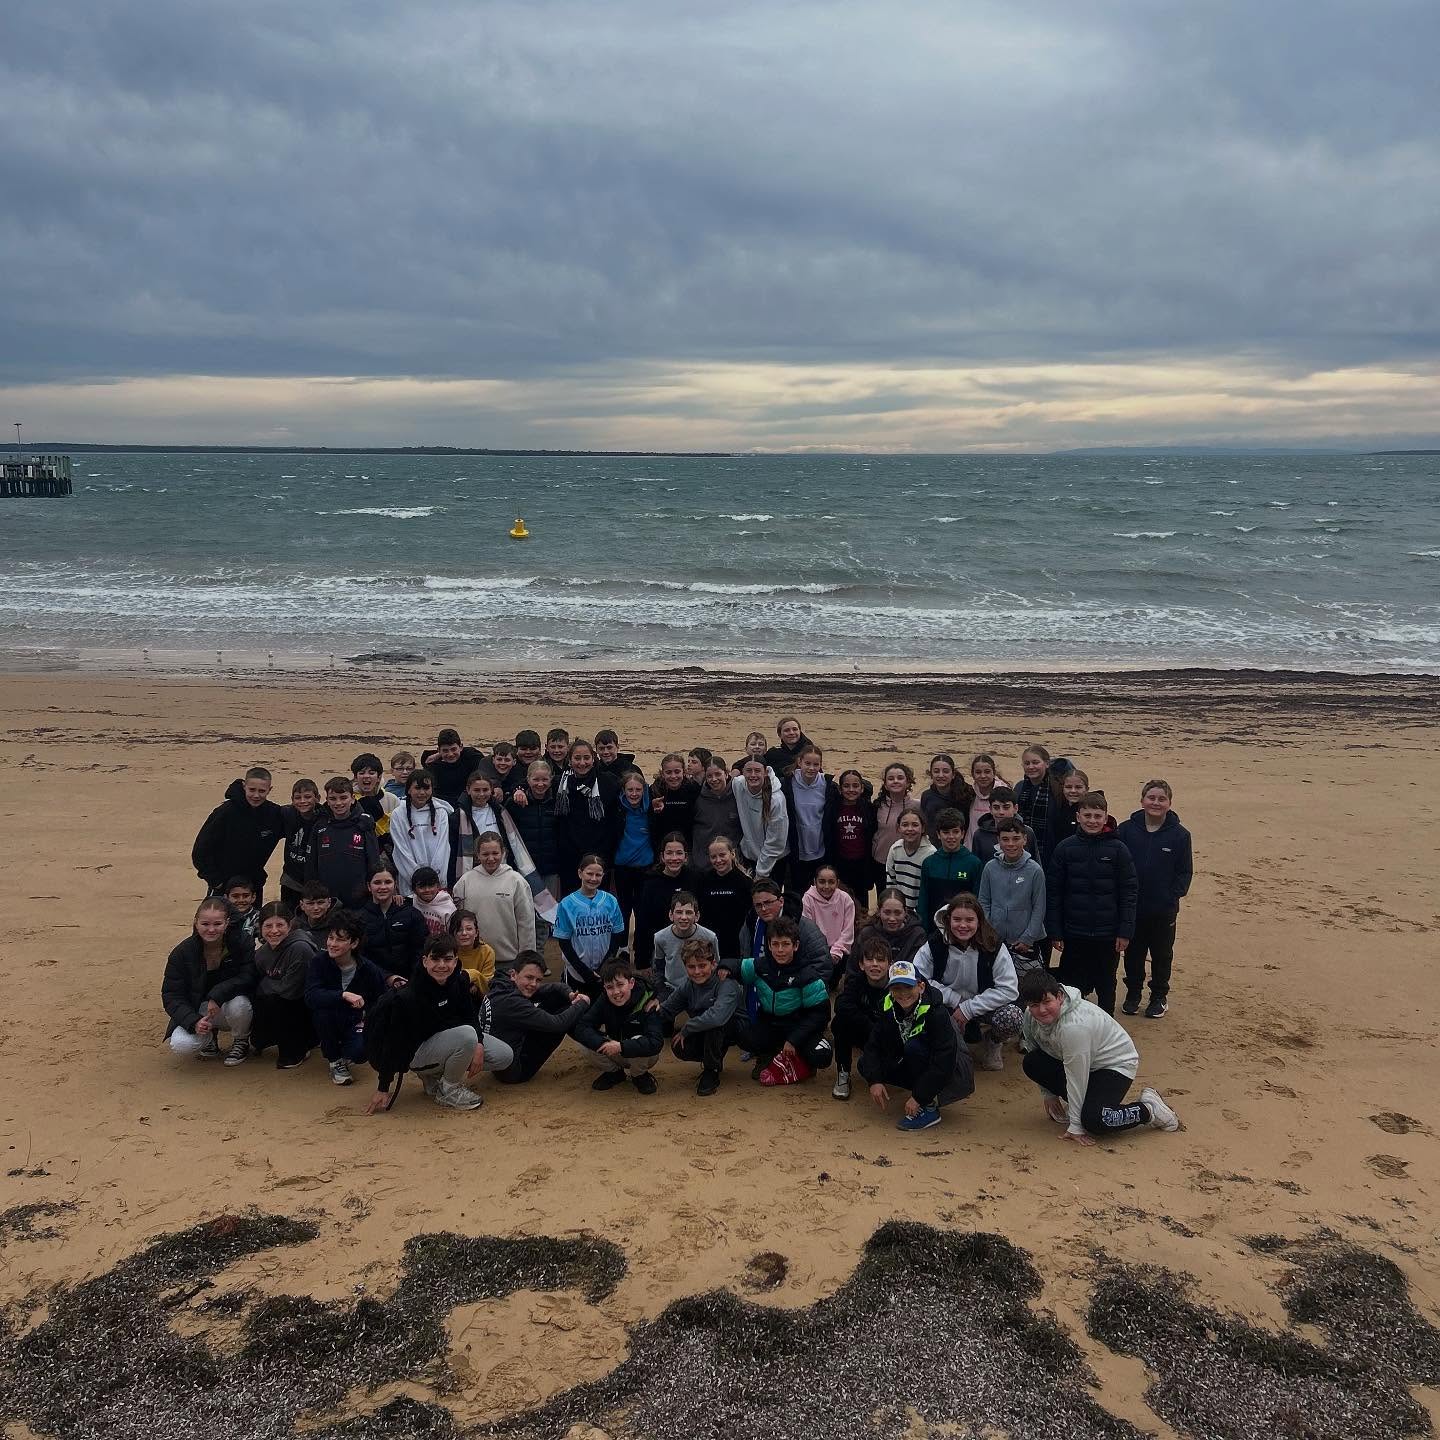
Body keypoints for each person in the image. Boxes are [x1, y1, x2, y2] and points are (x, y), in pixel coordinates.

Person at [1017, 968, 1180, 1143]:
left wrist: (1076, 1126)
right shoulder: (1030, 1016)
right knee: (1032, 1062)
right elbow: (1035, 1049)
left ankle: (1148, 1109)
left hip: (1115, 1065)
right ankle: (1082, 1105)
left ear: (1060, 996)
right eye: (1034, 1005)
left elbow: (1076, 1076)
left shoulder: (1074, 1027)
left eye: (1047, 1002)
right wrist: (1048, 1094)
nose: (1041, 1010)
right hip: (1079, 1061)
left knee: (1095, 1120)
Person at [365, 934, 486, 1113]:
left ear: (455, 961)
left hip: (445, 1036)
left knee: (502, 1055)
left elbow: (470, 1016)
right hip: (415, 1052)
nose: (442, 965)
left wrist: (480, 1044)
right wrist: (383, 1087)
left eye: (447, 959)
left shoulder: (459, 981)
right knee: (467, 1035)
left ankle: (435, 1076)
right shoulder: (409, 996)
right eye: (435, 959)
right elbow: (393, 1042)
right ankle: (448, 1089)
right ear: (425, 961)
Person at [1046, 791, 1138, 1016]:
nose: (1092, 821)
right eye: (1087, 815)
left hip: (1108, 933)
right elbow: (1054, 892)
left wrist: (1124, 931)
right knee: (1072, 983)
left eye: (1098, 816)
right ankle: (1072, 1023)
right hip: (1074, 931)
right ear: (1078, 816)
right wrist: (1055, 931)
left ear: (1106, 817)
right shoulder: (1065, 848)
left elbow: (1129, 892)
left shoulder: (1118, 849)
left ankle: (1107, 1024)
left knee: (1106, 983)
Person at [859, 958, 974, 1131]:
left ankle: (929, 1106)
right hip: (917, 1060)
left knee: (913, 1047)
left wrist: (920, 1097)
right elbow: (873, 1045)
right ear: (890, 990)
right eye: (897, 988)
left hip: (953, 1071)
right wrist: (874, 1080)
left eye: (908, 987)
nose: (903, 993)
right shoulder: (889, 1007)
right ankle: (921, 1091)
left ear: (921, 987)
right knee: (865, 1065)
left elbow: (944, 1059)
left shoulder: (937, 1013)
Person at [916, 893, 1022, 1072]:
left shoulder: (993, 945)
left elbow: (1009, 989)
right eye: (957, 919)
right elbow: (918, 977)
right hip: (946, 1006)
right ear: (948, 919)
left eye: (969, 920)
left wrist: (969, 1009)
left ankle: (993, 1042)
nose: (963, 925)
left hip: (983, 1007)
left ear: (979, 921)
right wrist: (954, 999)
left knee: (1012, 1017)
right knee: (920, 1009)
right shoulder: (935, 943)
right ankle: (945, 1047)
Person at [1116, 779, 1194, 1019]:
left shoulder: (1180, 835)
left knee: (1162, 954)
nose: (1156, 803)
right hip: (1132, 907)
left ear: (1169, 803)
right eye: (1151, 798)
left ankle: (1159, 996)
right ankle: (1133, 993)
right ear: (1142, 801)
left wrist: (1171, 895)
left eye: (1162, 799)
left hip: (1163, 910)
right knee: (1133, 953)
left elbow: (1185, 872)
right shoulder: (1126, 830)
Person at [738, 917, 833, 1085]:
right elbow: (736, 967)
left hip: (799, 1027)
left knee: (822, 1054)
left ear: (795, 945)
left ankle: (803, 1061)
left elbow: (820, 1015)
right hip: (771, 1025)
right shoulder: (761, 965)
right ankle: (768, 1055)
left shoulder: (808, 974)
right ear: (769, 945)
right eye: (775, 944)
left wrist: (794, 1040)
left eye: (785, 944)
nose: (780, 950)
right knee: (742, 1033)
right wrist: (723, 968)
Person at [162, 897, 256, 1064]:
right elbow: (171, 995)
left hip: (229, 1005)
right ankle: (209, 1039)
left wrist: (217, 995)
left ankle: (241, 1040)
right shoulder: (182, 953)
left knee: (240, 1005)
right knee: (181, 1044)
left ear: (227, 923)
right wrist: (193, 1021)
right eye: (205, 924)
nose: (211, 929)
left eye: (217, 924)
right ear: (196, 923)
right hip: (199, 1010)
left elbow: (248, 976)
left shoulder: (242, 943)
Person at [304, 909, 393, 1086]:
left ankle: (346, 1054)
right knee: (322, 1013)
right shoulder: (319, 962)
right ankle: (335, 1060)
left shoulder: (368, 969)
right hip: (329, 1019)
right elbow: (311, 996)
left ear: (354, 943)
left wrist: (368, 1018)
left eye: (340, 939)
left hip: (356, 1020)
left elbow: (382, 1001)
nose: (332, 944)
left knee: (360, 1052)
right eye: (331, 938)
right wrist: (342, 995)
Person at [488, 951, 589, 1084]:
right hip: (515, 1072)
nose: (533, 984)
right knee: (567, 1013)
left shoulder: (502, 983)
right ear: (513, 974)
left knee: (560, 999)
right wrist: (583, 1003)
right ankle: (597, 1043)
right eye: (529, 977)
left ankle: (593, 1038)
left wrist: (570, 994)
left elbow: (555, 988)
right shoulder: (513, 1003)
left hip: (499, 1064)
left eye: (538, 980)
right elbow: (558, 1024)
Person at [659, 938, 742, 1096]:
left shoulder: (726, 983)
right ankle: (712, 1057)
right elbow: (666, 1010)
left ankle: (712, 1070)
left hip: (735, 1031)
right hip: (703, 1028)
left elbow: (717, 1018)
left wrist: (687, 1028)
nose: (697, 972)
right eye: (691, 967)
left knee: (713, 1025)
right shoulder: (688, 985)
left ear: (713, 964)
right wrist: (645, 1013)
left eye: (702, 965)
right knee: (678, 1045)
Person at [571, 959, 665, 1093]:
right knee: (585, 1042)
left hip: (641, 1056)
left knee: (638, 1039)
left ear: (631, 983)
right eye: (610, 987)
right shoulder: (604, 1000)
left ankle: (639, 1075)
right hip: (614, 1050)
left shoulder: (648, 1001)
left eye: (620, 984)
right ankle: (614, 1073)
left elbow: (656, 1042)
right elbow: (582, 1027)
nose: (616, 992)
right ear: (604, 988)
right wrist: (603, 1043)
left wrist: (621, 1046)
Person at [451, 832, 538, 973]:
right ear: (477, 855)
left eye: (495, 853)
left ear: (503, 853)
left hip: (508, 962)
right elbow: (456, 922)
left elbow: (526, 923)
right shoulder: (465, 881)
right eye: (485, 854)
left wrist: (526, 960)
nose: (491, 858)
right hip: (474, 961)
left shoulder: (517, 881)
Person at [191, 768, 284, 898]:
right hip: (224, 886)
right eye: (252, 790)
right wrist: (215, 881)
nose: (256, 795)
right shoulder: (225, 812)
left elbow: (296, 820)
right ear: (244, 786)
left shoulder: (274, 814)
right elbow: (200, 850)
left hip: (253, 885)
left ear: (270, 789)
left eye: (262, 791)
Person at [250, 902, 317, 1069]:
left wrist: (266, 984)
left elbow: (291, 990)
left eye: (280, 925)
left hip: (304, 1005)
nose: (274, 931)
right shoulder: (261, 953)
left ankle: (300, 1047)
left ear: (290, 925)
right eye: (268, 926)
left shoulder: (300, 948)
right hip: (278, 1000)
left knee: (278, 1001)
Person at [976, 819, 1047, 972]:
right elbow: (984, 901)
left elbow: (1039, 907)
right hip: (995, 942)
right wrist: (988, 932)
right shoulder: (990, 868)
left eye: (1016, 839)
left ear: (1025, 839)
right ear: (998, 840)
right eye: (1005, 839)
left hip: (1025, 944)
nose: (1011, 844)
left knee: (1027, 984)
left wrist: (1028, 938)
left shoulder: (1035, 871)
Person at [552, 740, 622, 890]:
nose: (582, 763)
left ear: (593, 758)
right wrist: (519, 789)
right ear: (569, 760)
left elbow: (633, 788)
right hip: (569, 857)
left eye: (586, 758)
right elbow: (533, 783)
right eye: (577, 758)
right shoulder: (559, 783)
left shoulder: (607, 781)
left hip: (599, 856)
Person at [552, 854, 626, 996]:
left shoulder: (611, 901)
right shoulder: (567, 904)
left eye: (598, 875)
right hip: (576, 972)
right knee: (577, 1006)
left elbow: (616, 936)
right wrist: (584, 972)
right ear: (580, 873)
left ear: (603, 876)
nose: (593, 878)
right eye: (589, 873)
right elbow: (564, 942)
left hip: (604, 971)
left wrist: (604, 966)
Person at [830, 935, 893, 1101]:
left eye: (880, 960)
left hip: (891, 1040)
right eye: (869, 959)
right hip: (867, 1033)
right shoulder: (856, 982)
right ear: (861, 964)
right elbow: (841, 1005)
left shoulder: (898, 986)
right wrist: (869, 1026)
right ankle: (843, 1073)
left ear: (890, 964)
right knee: (840, 1022)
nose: (874, 964)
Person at [506, 761, 561, 944]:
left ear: (551, 780)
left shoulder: (558, 800)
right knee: (523, 911)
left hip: (550, 866)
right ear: (527, 780)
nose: (540, 784)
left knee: (545, 913)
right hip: (523, 868)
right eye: (536, 779)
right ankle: (524, 951)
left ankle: (539, 951)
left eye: (544, 780)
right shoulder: (515, 803)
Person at [307, 777, 381, 908]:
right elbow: (311, 865)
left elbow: (374, 862)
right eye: (333, 798)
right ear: (327, 800)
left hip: (360, 900)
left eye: (343, 798)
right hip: (327, 901)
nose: (338, 803)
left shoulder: (364, 825)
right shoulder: (320, 827)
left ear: (352, 799)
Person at [632, 833, 701, 972]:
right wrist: (642, 962)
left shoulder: (696, 879)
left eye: (679, 853)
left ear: (686, 857)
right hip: (661, 949)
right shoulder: (650, 883)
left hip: (692, 946)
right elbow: (643, 923)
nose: (674, 858)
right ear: (662, 857)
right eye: (669, 853)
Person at [781, 744, 838, 900]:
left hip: (820, 851)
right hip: (796, 852)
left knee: (820, 896)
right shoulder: (787, 783)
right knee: (795, 896)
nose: (811, 768)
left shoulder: (828, 785)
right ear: (799, 762)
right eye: (807, 763)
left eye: (816, 764)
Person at [388, 769, 453, 899]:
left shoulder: (441, 813)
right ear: (408, 790)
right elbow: (401, 850)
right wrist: (416, 879)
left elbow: (443, 847)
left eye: (426, 788)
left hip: (436, 883)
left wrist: (434, 879)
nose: (422, 793)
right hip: (410, 882)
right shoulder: (398, 814)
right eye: (417, 788)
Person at [915, 808, 985, 922]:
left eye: (955, 832)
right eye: (946, 832)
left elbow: (977, 901)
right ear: (938, 834)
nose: (951, 837)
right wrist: (923, 926)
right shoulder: (929, 863)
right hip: (934, 926)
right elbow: (923, 900)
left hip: (962, 926)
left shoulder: (974, 864)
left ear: (962, 834)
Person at [359, 865, 428, 979]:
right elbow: (360, 957)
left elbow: (421, 950)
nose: (383, 887)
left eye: (388, 882)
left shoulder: (412, 914)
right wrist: (387, 977)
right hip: (373, 982)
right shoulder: (359, 918)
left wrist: (413, 980)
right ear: (369, 886)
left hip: (410, 982)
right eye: (377, 882)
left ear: (395, 885)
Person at [696, 836, 753, 966]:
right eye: (713, 857)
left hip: (737, 945)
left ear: (732, 854)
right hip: (710, 945)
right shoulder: (704, 881)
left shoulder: (745, 882)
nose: (718, 860)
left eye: (722, 855)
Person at [612, 769, 656, 935]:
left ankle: (640, 943)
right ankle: (622, 944)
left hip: (645, 867)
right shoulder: (617, 809)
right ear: (624, 791)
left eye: (638, 790)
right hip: (622, 867)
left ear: (644, 790)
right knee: (623, 907)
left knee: (642, 908)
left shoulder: (651, 810)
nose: (634, 794)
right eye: (630, 790)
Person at [1014, 744, 1073, 865]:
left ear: (1047, 764)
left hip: (1052, 851)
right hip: (1023, 850)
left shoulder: (1058, 789)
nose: (1031, 767)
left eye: (1035, 762)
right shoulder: (1019, 788)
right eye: (1027, 763)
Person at [732, 757, 789, 881]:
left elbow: (775, 843)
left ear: (765, 772)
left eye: (757, 771)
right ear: (743, 772)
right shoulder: (738, 785)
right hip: (749, 856)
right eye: (749, 770)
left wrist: (761, 874)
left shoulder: (776, 800)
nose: (753, 775)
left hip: (774, 861)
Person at [652, 891, 719, 995]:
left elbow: (716, 965)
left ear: (697, 916)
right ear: (671, 915)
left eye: (688, 912)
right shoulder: (660, 938)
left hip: (702, 989)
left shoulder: (709, 937)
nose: (683, 917)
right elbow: (659, 968)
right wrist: (661, 990)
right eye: (679, 912)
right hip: (672, 989)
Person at [825, 768, 875, 904]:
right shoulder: (833, 809)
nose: (851, 790)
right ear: (840, 789)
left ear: (862, 788)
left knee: (861, 902)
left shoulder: (869, 809)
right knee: (840, 901)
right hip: (840, 863)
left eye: (855, 786)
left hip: (862, 864)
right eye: (846, 786)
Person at [450, 771, 507, 884]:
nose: (481, 794)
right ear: (468, 790)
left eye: (485, 790)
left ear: (491, 790)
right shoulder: (457, 817)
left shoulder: (500, 812)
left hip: (501, 870)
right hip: (473, 872)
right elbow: (453, 850)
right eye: (476, 790)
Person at [870, 763, 915, 900]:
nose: (895, 781)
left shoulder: (917, 805)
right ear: (885, 784)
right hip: (881, 862)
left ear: (908, 782)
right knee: (884, 900)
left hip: (908, 862)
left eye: (900, 778)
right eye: (891, 778)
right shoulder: (877, 806)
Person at [852, 888, 928, 969]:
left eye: (897, 913)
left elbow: (920, 970)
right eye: (887, 913)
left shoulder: (917, 935)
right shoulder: (866, 934)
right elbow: (853, 970)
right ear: (879, 912)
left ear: (905, 912)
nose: (892, 918)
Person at [801, 863, 855, 975]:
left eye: (831, 882)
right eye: (822, 882)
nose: (826, 886)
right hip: (816, 952)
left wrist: (836, 952)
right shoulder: (807, 899)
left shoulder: (846, 899)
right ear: (815, 882)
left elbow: (848, 932)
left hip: (840, 952)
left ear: (837, 883)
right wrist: (823, 954)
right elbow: (808, 931)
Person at [278, 778, 323, 906]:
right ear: (292, 800)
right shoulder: (287, 814)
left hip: (317, 882)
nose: (303, 801)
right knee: (288, 914)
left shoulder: (325, 818)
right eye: (298, 797)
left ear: (317, 798)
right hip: (291, 880)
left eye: (307, 797)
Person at [692, 756, 743, 869]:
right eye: (709, 776)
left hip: (734, 863)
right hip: (704, 864)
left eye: (718, 774)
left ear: (726, 774)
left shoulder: (738, 794)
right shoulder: (697, 797)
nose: (714, 779)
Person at [969, 787, 1040, 866]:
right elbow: (976, 866)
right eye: (996, 807)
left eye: (1006, 807)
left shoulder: (1027, 832)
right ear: (990, 809)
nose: (1001, 812)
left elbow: (1035, 863)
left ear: (1015, 808)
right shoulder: (980, 835)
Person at [884, 807, 935, 915]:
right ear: (899, 828)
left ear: (923, 828)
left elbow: (930, 889)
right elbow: (891, 882)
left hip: (921, 912)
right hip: (899, 911)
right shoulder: (895, 849)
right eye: (905, 825)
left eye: (915, 825)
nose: (910, 829)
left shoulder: (931, 854)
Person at [419, 728, 485, 807]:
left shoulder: (471, 757)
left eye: (453, 749)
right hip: (443, 806)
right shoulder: (433, 767)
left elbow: (488, 763)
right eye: (445, 750)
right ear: (439, 750)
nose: (450, 754)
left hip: (469, 803)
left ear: (461, 747)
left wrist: (439, 754)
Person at [918, 754, 975, 844]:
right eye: (936, 771)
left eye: (946, 771)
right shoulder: (926, 796)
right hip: (933, 847)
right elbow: (924, 825)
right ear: (931, 774)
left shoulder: (966, 794)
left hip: (959, 846)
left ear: (953, 774)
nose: (941, 775)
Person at [649, 752, 701, 848]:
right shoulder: (654, 790)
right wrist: (652, 809)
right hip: (661, 846)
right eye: (668, 772)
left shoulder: (693, 789)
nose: (673, 776)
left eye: (677, 772)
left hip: (688, 845)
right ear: (662, 774)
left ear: (684, 772)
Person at [964, 754, 1009, 849]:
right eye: (978, 772)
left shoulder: (1004, 793)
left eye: (987, 772)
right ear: (972, 774)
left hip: (997, 849)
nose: (983, 776)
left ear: (994, 773)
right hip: (972, 848)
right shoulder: (969, 793)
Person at [449, 908, 497, 995]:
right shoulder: (448, 951)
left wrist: (474, 976)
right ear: (453, 933)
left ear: (476, 932)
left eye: (469, 929)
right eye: (459, 930)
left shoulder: (487, 952)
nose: (464, 933)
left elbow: (488, 985)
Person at [410, 866, 457, 934]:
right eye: (422, 887)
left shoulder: (449, 907)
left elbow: (454, 934)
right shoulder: (409, 902)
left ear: (438, 886)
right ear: (414, 889)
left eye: (431, 885)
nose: (427, 890)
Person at [351, 753, 388, 826]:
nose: (366, 776)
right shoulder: (349, 800)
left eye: (371, 773)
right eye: (361, 773)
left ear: (379, 777)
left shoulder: (391, 799)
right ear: (355, 777)